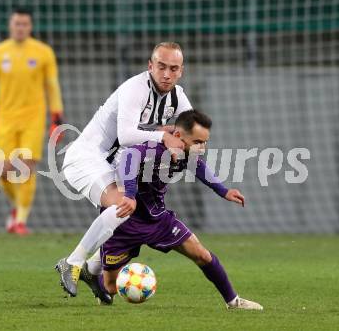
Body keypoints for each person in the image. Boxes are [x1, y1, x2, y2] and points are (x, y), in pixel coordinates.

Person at [56, 42, 192, 296]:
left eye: (173, 69)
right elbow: (127, 135)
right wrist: (164, 136)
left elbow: (192, 130)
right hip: (85, 157)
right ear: (150, 66)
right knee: (123, 205)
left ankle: (91, 268)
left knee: (133, 213)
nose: (166, 74)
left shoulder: (178, 96)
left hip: (111, 164)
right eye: (161, 67)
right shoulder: (135, 88)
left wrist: (194, 144)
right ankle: (72, 263)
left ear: (181, 71)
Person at [95, 109, 263, 310]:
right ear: (177, 137)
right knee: (111, 287)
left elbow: (198, 166)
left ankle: (233, 301)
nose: (202, 147)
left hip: (157, 219)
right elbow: (129, 157)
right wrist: (130, 195)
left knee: (201, 254)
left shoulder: (185, 151)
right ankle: (93, 274)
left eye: (205, 142)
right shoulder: (154, 148)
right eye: (198, 142)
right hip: (125, 220)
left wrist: (223, 191)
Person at [0, 8, 65, 235]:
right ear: (10, 25)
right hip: (5, 118)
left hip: (33, 118)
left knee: (25, 168)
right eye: (17, 23)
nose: (20, 28)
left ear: (30, 26)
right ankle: (18, 208)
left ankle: (20, 220)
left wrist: (57, 115)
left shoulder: (43, 52)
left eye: (24, 24)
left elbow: (52, 85)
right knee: (2, 170)